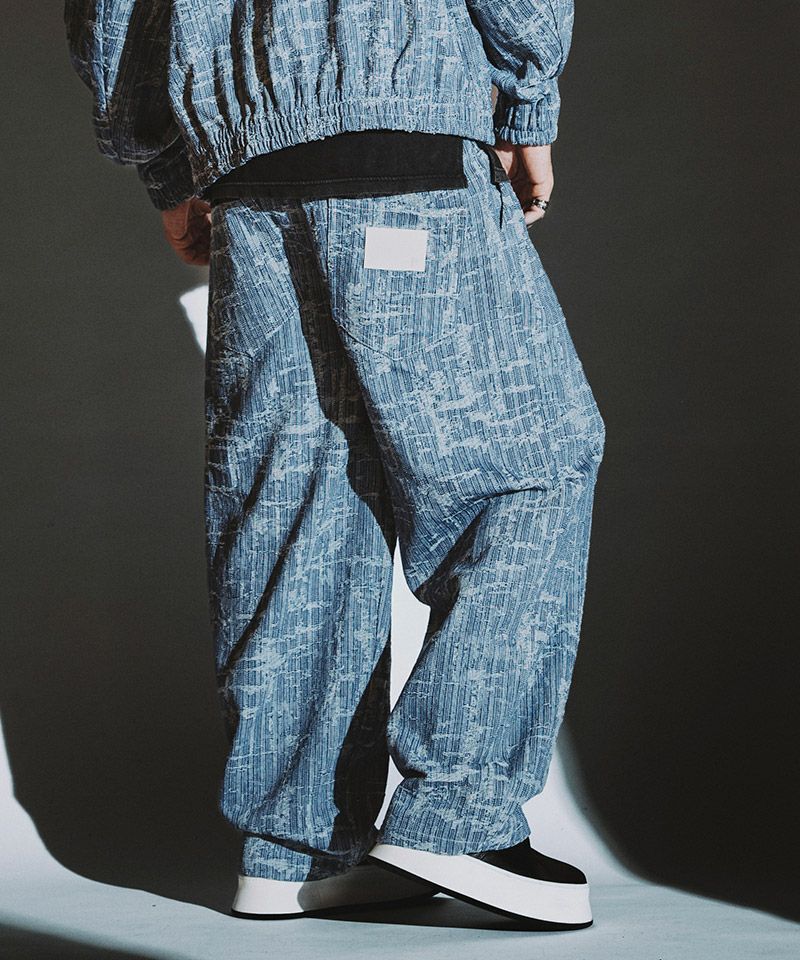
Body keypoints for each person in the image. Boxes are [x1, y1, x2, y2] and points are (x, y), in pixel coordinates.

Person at [65, 0, 605, 929]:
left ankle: (297, 848)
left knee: (297, 502)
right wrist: (527, 100)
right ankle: (459, 815)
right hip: (402, 128)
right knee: (529, 465)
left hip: (247, 173)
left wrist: (168, 163)